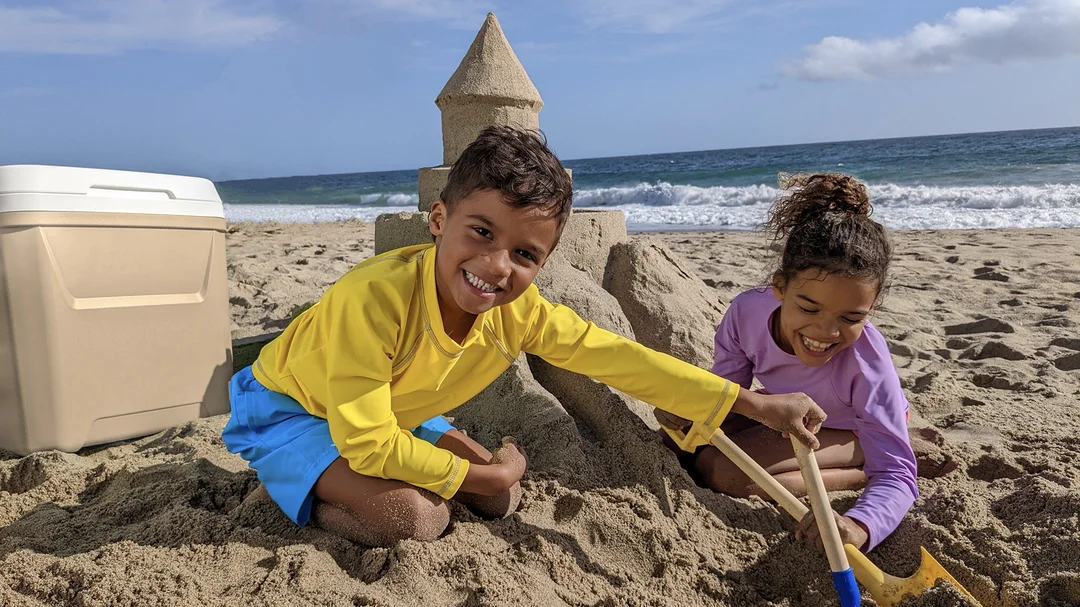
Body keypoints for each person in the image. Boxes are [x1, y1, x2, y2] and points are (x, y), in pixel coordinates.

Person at [223, 126, 827, 547]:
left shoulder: (522, 312)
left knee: (498, 502)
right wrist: (478, 474)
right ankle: (288, 487)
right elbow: (367, 442)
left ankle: (350, 478)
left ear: (544, 261)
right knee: (414, 517)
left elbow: (621, 360)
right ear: (439, 221)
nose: (496, 265)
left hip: (388, 416)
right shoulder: (375, 301)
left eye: (524, 253)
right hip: (294, 409)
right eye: (480, 232)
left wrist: (753, 404)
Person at [658, 172, 917, 553]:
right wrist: (690, 410)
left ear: (870, 309)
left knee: (724, 474)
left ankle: (860, 468)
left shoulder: (866, 362)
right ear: (781, 287)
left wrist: (860, 525)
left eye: (851, 318)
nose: (826, 331)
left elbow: (896, 472)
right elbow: (728, 389)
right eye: (808, 307)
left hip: (855, 429)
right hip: (787, 411)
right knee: (675, 443)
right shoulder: (747, 312)